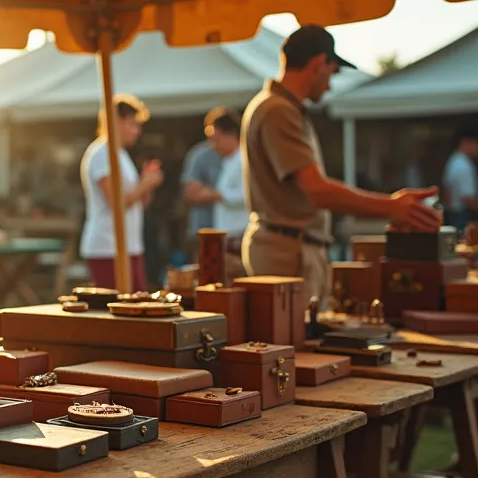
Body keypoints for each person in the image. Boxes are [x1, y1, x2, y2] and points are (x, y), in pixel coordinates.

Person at [241, 25, 440, 304]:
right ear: (319, 63)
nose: (330, 84)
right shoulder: (278, 110)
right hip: (287, 252)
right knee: (294, 345)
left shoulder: (280, 107)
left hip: (291, 248)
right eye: (332, 72)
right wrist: (392, 207)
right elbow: (317, 190)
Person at [79, 94, 164, 290]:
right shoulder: (101, 154)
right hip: (107, 246)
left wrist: (146, 185)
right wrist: (146, 183)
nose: (137, 131)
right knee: (120, 312)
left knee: (136, 307)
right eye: (133, 124)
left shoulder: (120, 154)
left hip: (129, 245)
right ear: (117, 121)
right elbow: (116, 202)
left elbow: (138, 202)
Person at [180, 107, 236, 255]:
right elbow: (191, 194)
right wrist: (220, 195)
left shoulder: (238, 157)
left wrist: (211, 193)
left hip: (231, 233)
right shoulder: (200, 156)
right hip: (203, 231)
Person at [210, 113, 248, 279]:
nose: (213, 145)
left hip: (239, 234)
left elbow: (247, 194)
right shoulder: (230, 161)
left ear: (230, 135)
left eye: (216, 138)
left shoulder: (243, 160)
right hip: (229, 235)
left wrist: (217, 195)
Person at [442, 129, 478, 231]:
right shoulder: (463, 165)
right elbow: (468, 199)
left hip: (453, 215)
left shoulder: (454, 161)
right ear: (466, 143)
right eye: (477, 144)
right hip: (461, 216)